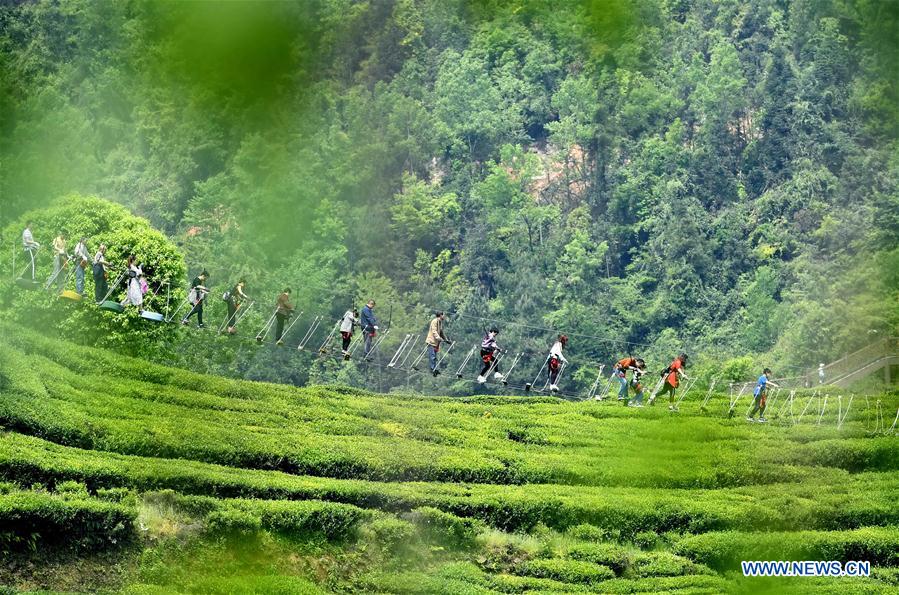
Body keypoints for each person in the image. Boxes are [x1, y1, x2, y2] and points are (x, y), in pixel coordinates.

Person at [426, 312, 451, 377]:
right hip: (431, 342)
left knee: (434, 357)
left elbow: (441, 332)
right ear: (440, 315)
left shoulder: (440, 322)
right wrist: (439, 338)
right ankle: (432, 369)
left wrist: (446, 340)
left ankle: (434, 369)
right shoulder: (434, 321)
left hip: (436, 343)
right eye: (443, 315)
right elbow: (434, 331)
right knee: (432, 356)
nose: (444, 316)